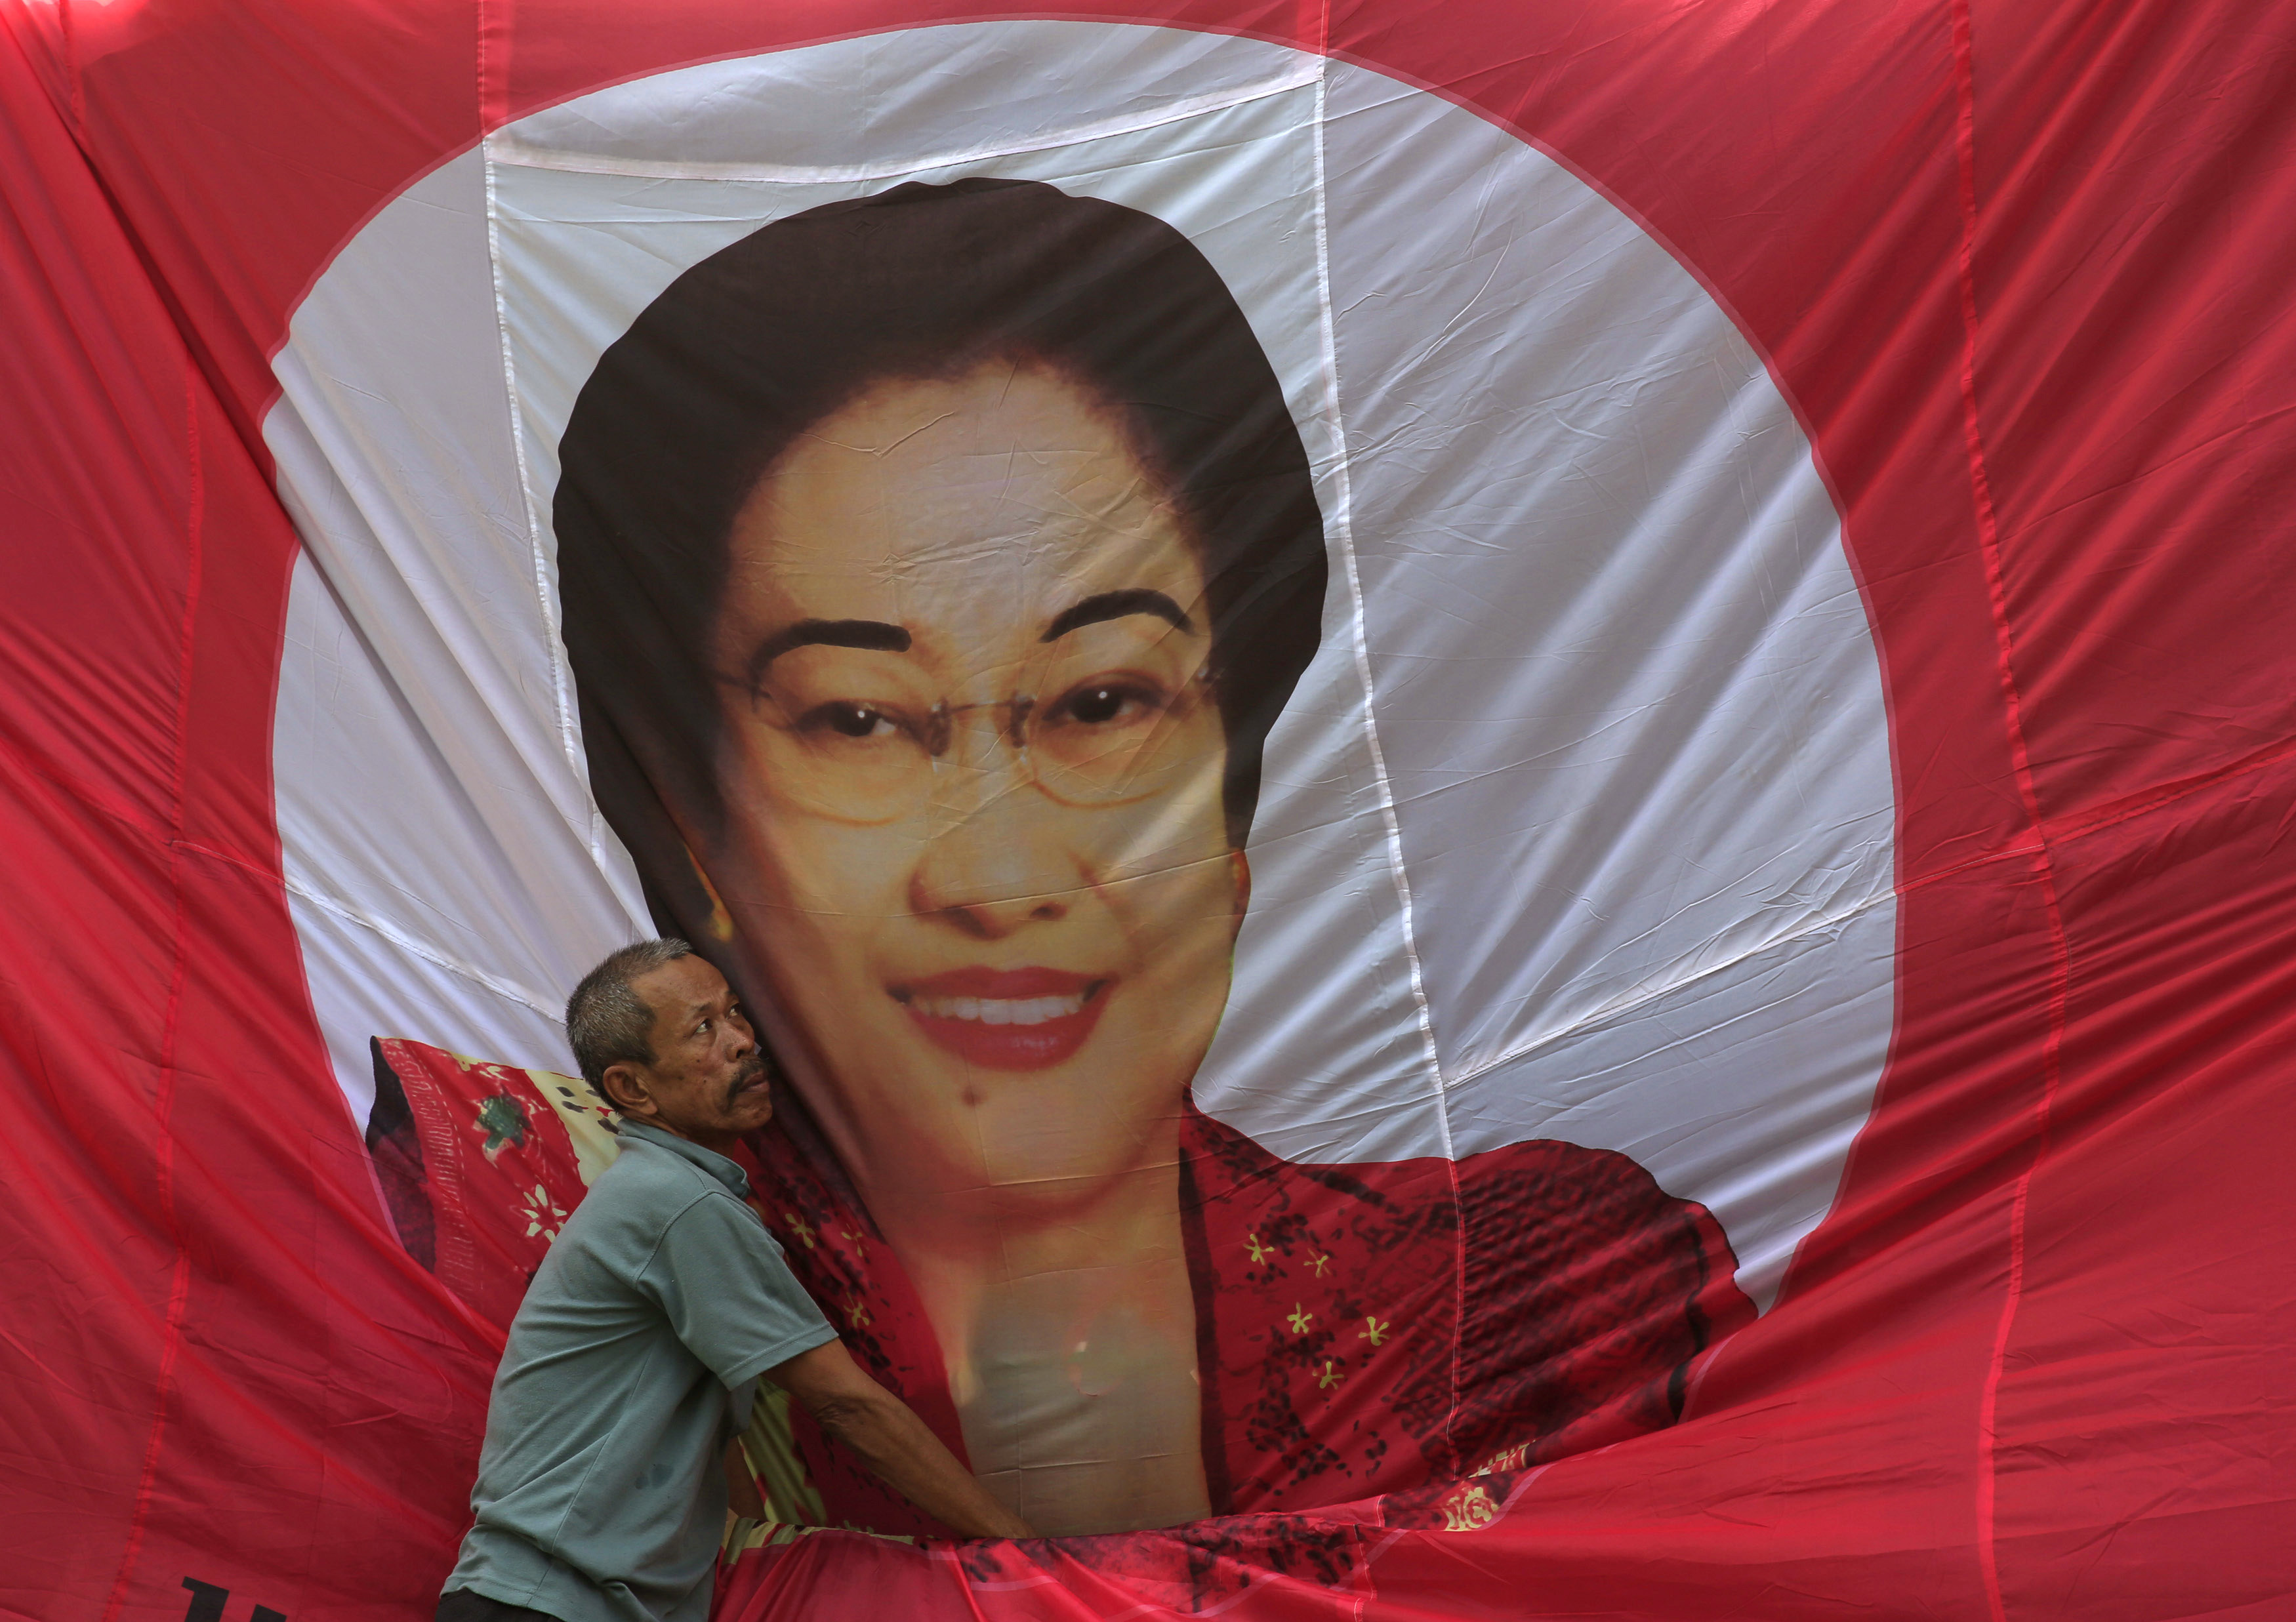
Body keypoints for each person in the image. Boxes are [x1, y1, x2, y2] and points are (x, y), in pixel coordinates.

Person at [525, 176, 1750, 1539]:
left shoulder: (1539, 1290)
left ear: (1232, 793)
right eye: (860, 720)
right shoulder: (599, 1233)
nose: (999, 876)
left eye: (1101, 702)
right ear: (698, 836)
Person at [436, 939, 1030, 1622]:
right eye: (703, 1029)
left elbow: (701, 1451)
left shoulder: (675, 1191)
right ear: (633, 1088)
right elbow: (846, 1406)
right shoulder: (675, 1202)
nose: (744, 1041)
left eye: (736, 1014)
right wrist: (1028, 1553)